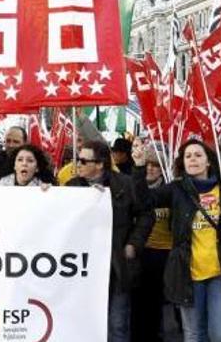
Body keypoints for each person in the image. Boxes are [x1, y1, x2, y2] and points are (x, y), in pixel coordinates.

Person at [148, 140, 221, 342]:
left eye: (198, 155)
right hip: (188, 273)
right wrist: (139, 167)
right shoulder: (176, 189)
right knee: (194, 335)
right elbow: (144, 200)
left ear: (208, 161)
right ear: (183, 163)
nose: (193, 159)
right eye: (188, 156)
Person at [66, 140, 153, 342]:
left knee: (117, 325)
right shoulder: (71, 186)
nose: (77, 164)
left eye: (83, 160)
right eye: (78, 159)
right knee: (83, 324)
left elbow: (146, 213)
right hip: (81, 267)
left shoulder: (125, 183)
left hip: (116, 266)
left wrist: (134, 244)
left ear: (100, 164)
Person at [130, 144, 174, 342]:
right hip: (140, 252)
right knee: (137, 300)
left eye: (156, 165)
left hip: (164, 254)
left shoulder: (170, 189)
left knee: (156, 302)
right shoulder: (133, 187)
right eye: (147, 164)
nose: (150, 168)